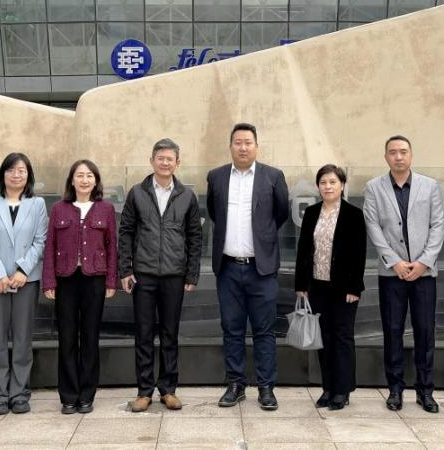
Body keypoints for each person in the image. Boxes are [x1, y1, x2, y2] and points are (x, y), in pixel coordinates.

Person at [206, 123, 290, 410]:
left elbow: (281, 213)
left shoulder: (273, 176)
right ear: (231, 146)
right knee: (232, 329)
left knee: (264, 330)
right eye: (238, 142)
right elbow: (214, 213)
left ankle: (266, 388)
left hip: (261, 269)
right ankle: (235, 384)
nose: (243, 147)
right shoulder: (216, 177)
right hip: (228, 268)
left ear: (256, 146)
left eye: (248, 142)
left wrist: (262, 240)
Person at [119, 138, 203, 413]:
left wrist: (191, 273)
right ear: (152, 161)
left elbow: (195, 236)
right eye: (161, 158)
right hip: (143, 275)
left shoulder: (187, 196)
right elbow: (126, 232)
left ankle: (168, 390)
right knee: (143, 334)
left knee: (170, 334)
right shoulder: (137, 193)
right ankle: (144, 391)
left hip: (174, 275)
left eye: (170, 159)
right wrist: (125, 269)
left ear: (178, 163)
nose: (165, 163)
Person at [363, 135, 444, 413]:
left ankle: (425, 391)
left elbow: (438, 225)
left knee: (425, 332)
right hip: (391, 273)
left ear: (411, 155)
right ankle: (395, 389)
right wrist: (394, 262)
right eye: (393, 152)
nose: (398, 156)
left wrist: (424, 262)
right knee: (392, 331)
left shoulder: (430, 186)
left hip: (424, 273)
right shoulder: (373, 187)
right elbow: (373, 226)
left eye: (403, 151)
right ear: (386, 156)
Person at [0, 152, 48, 416]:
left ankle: (19, 393)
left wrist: (22, 270)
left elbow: (41, 239)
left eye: (22, 171)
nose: (16, 175)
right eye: (11, 170)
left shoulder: (37, 204)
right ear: (2, 174)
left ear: (28, 176)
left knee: (22, 338)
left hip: (26, 280)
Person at [43, 160, 118, 415]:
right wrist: (49, 280)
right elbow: (50, 246)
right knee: (66, 338)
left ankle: (86, 395)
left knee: (89, 337)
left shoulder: (105, 209)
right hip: (66, 279)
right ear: (72, 180)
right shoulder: (59, 209)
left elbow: (112, 246)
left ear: (95, 181)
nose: (84, 180)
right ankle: (68, 396)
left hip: (94, 279)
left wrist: (111, 280)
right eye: (79, 175)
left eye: (89, 176)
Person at [294, 164, 366, 411]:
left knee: (342, 337)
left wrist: (354, 287)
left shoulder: (353, 214)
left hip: (344, 289)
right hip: (317, 286)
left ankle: (342, 390)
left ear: (342, 185)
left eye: (333, 182)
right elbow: (303, 250)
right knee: (323, 338)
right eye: (323, 182)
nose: (328, 187)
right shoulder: (312, 213)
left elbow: (359, 253)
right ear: (318, 186)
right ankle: (328, 388)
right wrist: (301, 285)